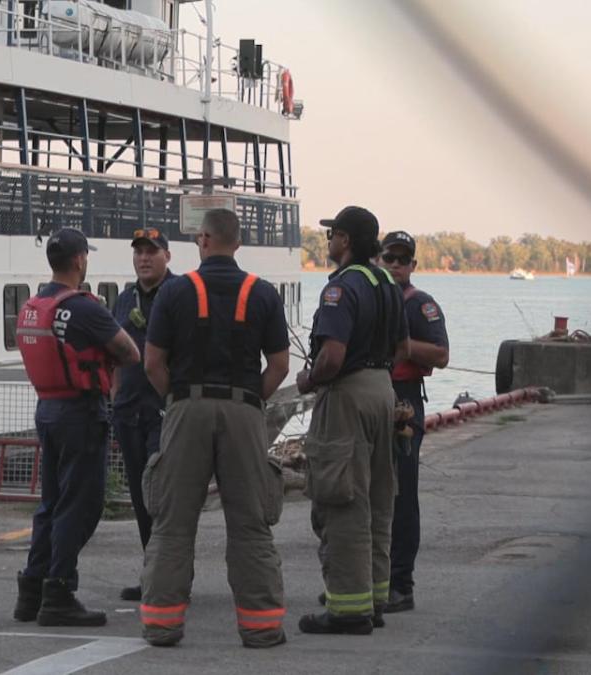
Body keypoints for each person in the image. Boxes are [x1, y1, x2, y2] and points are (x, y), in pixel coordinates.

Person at [139, 209, 291, 648]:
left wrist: (179, 400)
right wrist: (250, 402)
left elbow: (152, 363)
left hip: (187, 407)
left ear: (202, 240)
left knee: (172, 522)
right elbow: (279, 365)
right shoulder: (262, 293)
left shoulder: (175, 292)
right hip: (244, 408)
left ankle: (162, 624)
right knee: (250, 523)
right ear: (238, 244)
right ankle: (261, 626)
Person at [13, 228, 141, 627]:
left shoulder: (34, 305)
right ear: (80, 260)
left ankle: (31, 591)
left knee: (50, 503)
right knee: (80, 505)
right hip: (81, 413)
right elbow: (130, 353)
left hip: (47, 410)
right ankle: (60, 592)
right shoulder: (85, 308)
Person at [296, 206, 408, 635]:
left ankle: (346, 609)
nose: (328, 243)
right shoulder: (387, 284)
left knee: (340, 498)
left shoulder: (341, 289)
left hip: (347, 395)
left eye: (332, 236)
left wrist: (308, 380)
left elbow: (333, 356)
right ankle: (374, 599)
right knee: (379, 501)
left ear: (346, 241)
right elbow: (402, 348)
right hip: (383, 390)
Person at [378, 231, 449, 613]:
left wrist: (405, 346)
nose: (394, 264)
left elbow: (441, 353)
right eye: (388, 257)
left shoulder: (420, 305)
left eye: (402, 260)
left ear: (412, 266)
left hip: (403, 401)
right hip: (370, 396)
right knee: (368, 493)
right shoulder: (370, 297)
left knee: (402, 495)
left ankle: (401, 584)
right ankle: (368, 578)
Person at [111, 227, 175, 602]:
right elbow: (116, 350)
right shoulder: (124, 299)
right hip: (130, 410)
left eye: (152, 251)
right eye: (138, 252)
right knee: (139, 496)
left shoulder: (179, 293)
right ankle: (152, 572)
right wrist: (116, 392)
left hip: (163, 410)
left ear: (167, 256)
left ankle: (170, 573)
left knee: (163, 495)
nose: (144, 258)